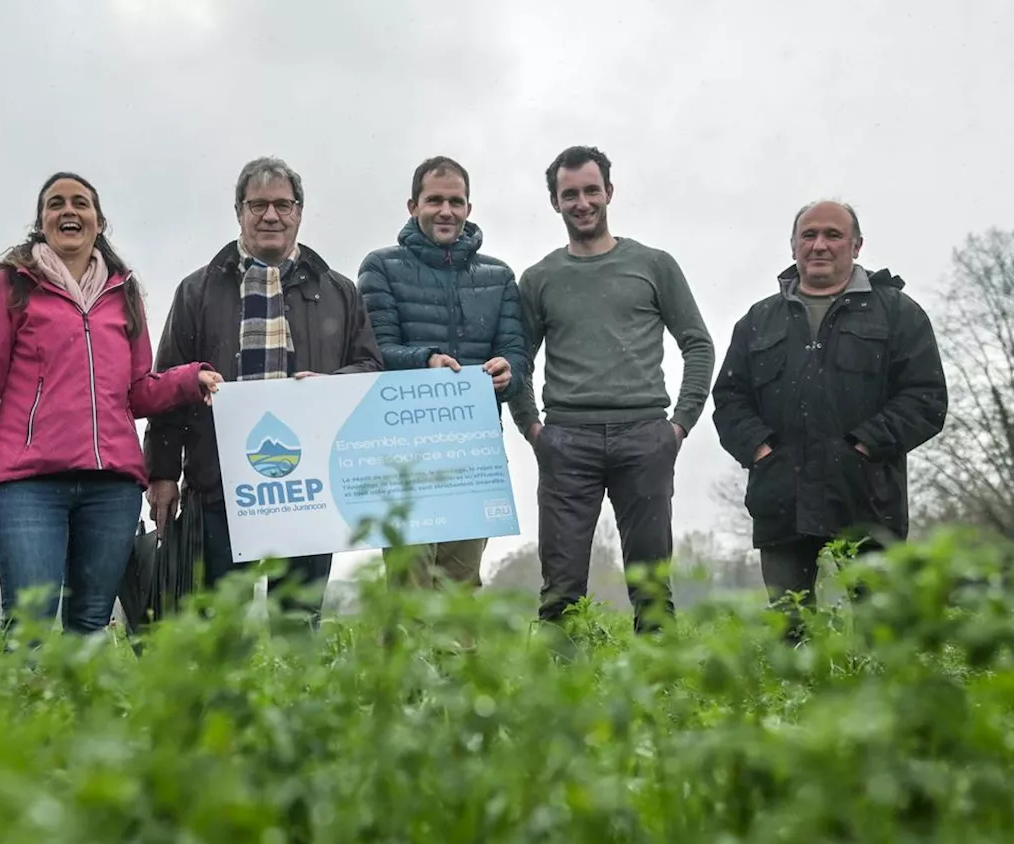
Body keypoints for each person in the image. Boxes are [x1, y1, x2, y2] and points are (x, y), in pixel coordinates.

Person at [0, 172, 221, 637]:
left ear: (98, 222)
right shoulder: (9, 287)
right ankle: (17, 710)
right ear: (42, 222)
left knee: (91, 624)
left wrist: (188, 379)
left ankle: (83, 710)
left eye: (80, 203)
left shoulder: (124, 293)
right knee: (29, 625)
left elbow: (135, 393)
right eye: (56, 204)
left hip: (111, 488)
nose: (68, 211)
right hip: (27, 486)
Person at [143, 156, 383, 626]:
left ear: (299, 211)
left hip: (310, 491)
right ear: (238, 211)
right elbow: (168, 386)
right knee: (219, 626)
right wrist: (163, 472)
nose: (270, 215)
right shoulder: (198, 291)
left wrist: (331, 387)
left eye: (282, 205)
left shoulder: (338, 291)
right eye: (258, 205)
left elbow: (371, 369)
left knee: (297, 623)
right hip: (220, 489)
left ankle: (291, 701)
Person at [711, 200, 948, 642]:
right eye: (809, 235)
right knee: (789, 631)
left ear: (856, 246)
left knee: (882, 632)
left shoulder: (897, 313)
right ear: (794, 246)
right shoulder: (758, 321)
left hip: (868, 498)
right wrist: (761, 450)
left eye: (833, 235)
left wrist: (864, 446)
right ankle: (793, 709)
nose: (819, 245)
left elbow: (925, 399)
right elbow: (729, 399)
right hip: (781, 497)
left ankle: (877, 708)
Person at [510, 145, 715, 634]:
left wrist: (679, 425)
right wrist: (533, 428)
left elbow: (698, 345)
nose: (582, 202)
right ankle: (563, 697)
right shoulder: (539, 279)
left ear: (609, 192)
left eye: (590, 190)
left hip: (645, 436)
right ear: (555, 202)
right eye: (569, 194)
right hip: (566, 442)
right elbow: (518, 358)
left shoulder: (653, 265)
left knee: (652, 588)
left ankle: (661, 695)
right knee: (559, 590)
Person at [356, 155, 528, 591]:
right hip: (404, 453)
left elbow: (516, 353)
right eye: (435, 200)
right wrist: (426, 359)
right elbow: (375, 353)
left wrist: (510, 372)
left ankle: (458, 662)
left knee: (462, 584)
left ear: (469, 208)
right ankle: (406, 662)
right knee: (409, 581)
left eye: (456, 201)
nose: (446, 211)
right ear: (413, 205)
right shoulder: (380, 268)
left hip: (476, 452)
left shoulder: (499, 276)